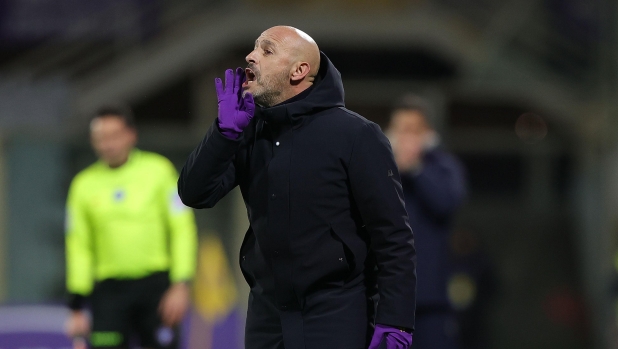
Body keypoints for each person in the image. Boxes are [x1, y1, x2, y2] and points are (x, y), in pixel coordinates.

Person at [178, 26, 416, 349]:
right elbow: (194, 193)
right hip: (267, 313)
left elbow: (393, 236)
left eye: (267, 50)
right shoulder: (248, 130)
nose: (251, 56)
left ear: (299, 71)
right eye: (254, 48)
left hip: (335, 312)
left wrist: (396, 317)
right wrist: (223, 134)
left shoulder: (356, 135)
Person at [64, 105, 198, 349]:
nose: (108, 144)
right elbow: (78, 245)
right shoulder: (82, 185)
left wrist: (181, 283)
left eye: (114, 136)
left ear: (131, 135)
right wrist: (77, 305)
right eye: (100, 138)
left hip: (156, 290)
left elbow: (182, 228)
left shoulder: (159, 170)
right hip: (108, 296)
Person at [386, 94, 466, 349]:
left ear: (427, 133)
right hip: (386, 302)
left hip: (432, 301)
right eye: (401, 129)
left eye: (414, 130)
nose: (407, 137)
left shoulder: (443, 166)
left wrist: (417, 170)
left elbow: (447, 203)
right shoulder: (378, 168)